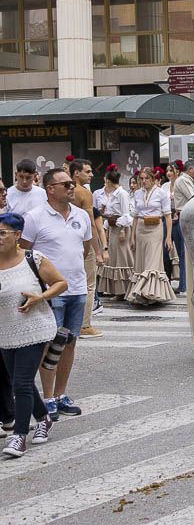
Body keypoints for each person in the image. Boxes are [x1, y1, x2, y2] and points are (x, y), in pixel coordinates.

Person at [19, 167, 96, 420]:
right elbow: (25, 253)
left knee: (70, 342)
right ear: (50, 189)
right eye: (65, 185)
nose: (71, 188)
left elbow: (84, 250)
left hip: (76, 289)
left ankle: (61, 394)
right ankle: (48, 397)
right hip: (49, 291)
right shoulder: (35, 217)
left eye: (71, 184)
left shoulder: (82, 216)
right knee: (49, 344)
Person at [0, 212, 68, 458]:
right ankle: (43, 418)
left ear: (18, 235)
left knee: (20, 383)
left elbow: (61, 283)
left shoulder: (33, 259)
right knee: (22, 381)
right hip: (5, 332)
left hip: (34, 329)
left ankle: (19, 436)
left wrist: (40, 297)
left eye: (2, 233)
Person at [125, 168, 175, 306]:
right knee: (141, 261)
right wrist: (132, 236)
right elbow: (135, 216)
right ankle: (142, 293)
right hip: (141, 227)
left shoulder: (161, 193)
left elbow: (168, 216)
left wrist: (168, 237)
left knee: (152, 261)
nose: (143, 181)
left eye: (146, 178)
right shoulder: (137, 194)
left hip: (155, 228)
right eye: (141, 178)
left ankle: (151, 293)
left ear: (153, 179)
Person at [67, 158, 104, 339]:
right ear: (76, 173)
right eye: (87, 172)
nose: (91, 174)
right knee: (89, 284)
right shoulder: (83, 193)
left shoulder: (62, 191)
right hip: (83, 241)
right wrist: (98, 251)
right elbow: (91, 224)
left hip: (64, 243)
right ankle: (84, 325)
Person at [97, 168, 133, 297]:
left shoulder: (122, 194)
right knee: (113, 258)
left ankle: (125, 289)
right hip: (113, 227)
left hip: (120, 228)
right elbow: (109, 213)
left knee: (122, 258)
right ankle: (117, 290)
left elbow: (126, 214)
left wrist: (122, 229)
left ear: (109, 181)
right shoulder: (112, 194)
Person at [170, 160, 194, 294]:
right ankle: (185, 286)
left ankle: (185, 285)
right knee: (185, 253)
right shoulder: (183, 180)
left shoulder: (185, 180)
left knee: (185, 253)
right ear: (190, 169)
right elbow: (193, 198)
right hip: (185, 217)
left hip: (183, 217)